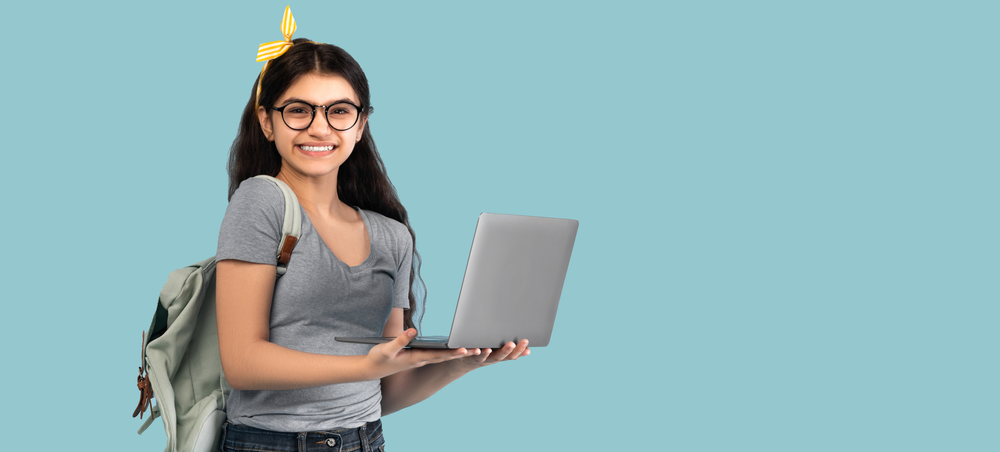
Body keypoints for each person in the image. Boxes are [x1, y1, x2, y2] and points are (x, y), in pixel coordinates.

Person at [215, 10, 529, 452]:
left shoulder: (391, 236)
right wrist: (364, 365)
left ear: (360, 125)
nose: (319, 127)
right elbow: (242, 362)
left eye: (339, 111)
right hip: (271, 443)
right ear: (268, 121)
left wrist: (464, 362)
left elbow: (388, 390)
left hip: (365, 440)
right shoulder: (260, 201)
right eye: (299, 111)